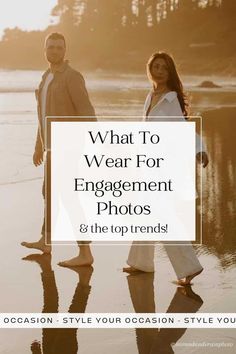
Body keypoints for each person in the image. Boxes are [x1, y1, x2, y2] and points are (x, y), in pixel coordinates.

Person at [123, 52, 209, 285]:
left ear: (170, 73)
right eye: (156, 66)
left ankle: (189, 267)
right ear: (149, 68)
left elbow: (183, 129)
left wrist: (199, 149)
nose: (159, 71)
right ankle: (141, 262)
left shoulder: (170, 99)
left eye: (164, 68)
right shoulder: (151, 95)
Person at [21, 32, 95, 267]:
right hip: (51, 150)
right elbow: (42, 116)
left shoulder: (72, 77)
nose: (54, 51)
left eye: (59, 48)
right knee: (49, 194)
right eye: (50, 47)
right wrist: (38, 147)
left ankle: (85, 252)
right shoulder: (46, 78)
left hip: (69, 150)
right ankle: (46, 241)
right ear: (45, 50)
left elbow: (87, 114)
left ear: (65, 51)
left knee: (69, 198)